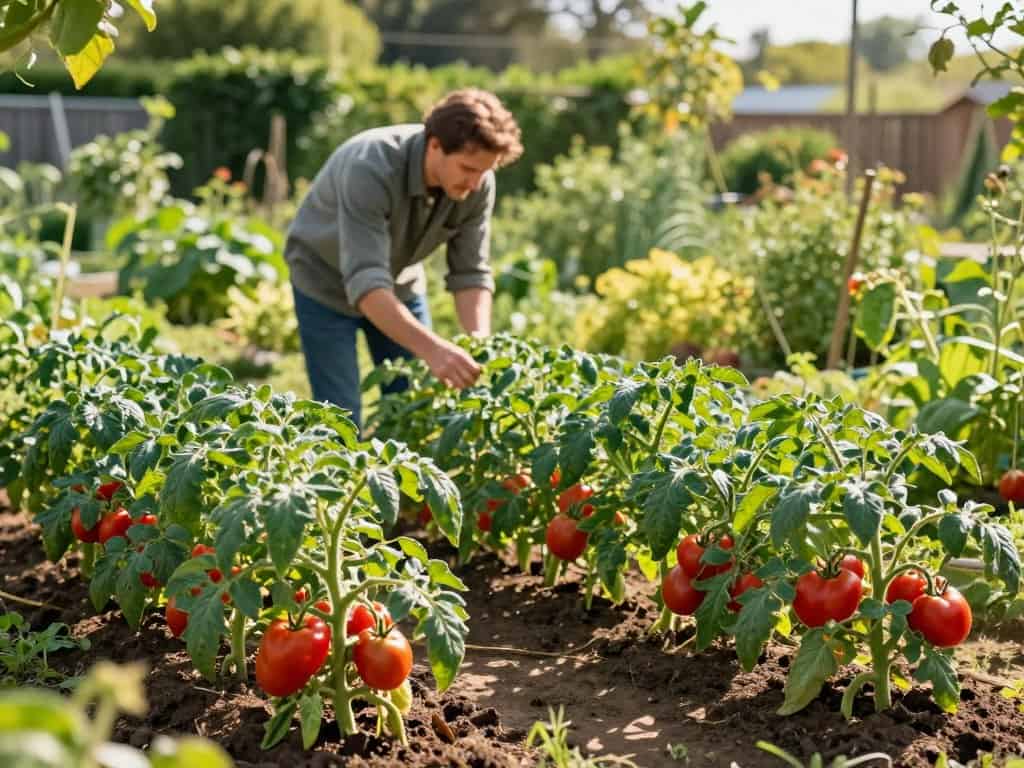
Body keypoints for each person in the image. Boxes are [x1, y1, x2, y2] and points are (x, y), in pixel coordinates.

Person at [284, 88, 523, 428]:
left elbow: (470, 272)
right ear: (435, 145)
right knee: (340, 415)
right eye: (468, 169)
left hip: (398, 282)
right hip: (323, 280)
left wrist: (480, 344)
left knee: (413, 407)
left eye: (484, 171)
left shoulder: (478, 183)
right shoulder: (371, 167)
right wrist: (435, 350)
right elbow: (366, 282)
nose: (475, 183)